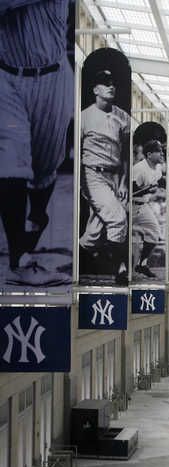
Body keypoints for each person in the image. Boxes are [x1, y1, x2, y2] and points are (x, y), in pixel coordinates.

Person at [0, 0, 73, 286]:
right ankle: (19, 260)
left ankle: (37, 218)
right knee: (11, 157)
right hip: (7, 77)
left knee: (47, 165)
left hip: (53, 78)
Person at [79, 69, 130, 286]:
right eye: (105, 83)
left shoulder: (122, 116)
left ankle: (79, 257)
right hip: (92, 175)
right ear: (95, 89)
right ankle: (119, 269)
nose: (111, 86)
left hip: (114, 175)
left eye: (112, 82)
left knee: (94, 232)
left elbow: (126, 152)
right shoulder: (85, 116)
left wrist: (124, 181)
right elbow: (73, 150)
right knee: (117, 217)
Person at [132, 139, 165, 279]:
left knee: (154, 232)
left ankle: (142, 264)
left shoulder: (157, 169)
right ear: (149, 154)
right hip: (128, 205)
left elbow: (152, 189)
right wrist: (147, 189)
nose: (162, 153)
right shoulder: (139, 168)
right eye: (159, 151)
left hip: (142, 206)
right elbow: (130, 192)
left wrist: (153, 190)